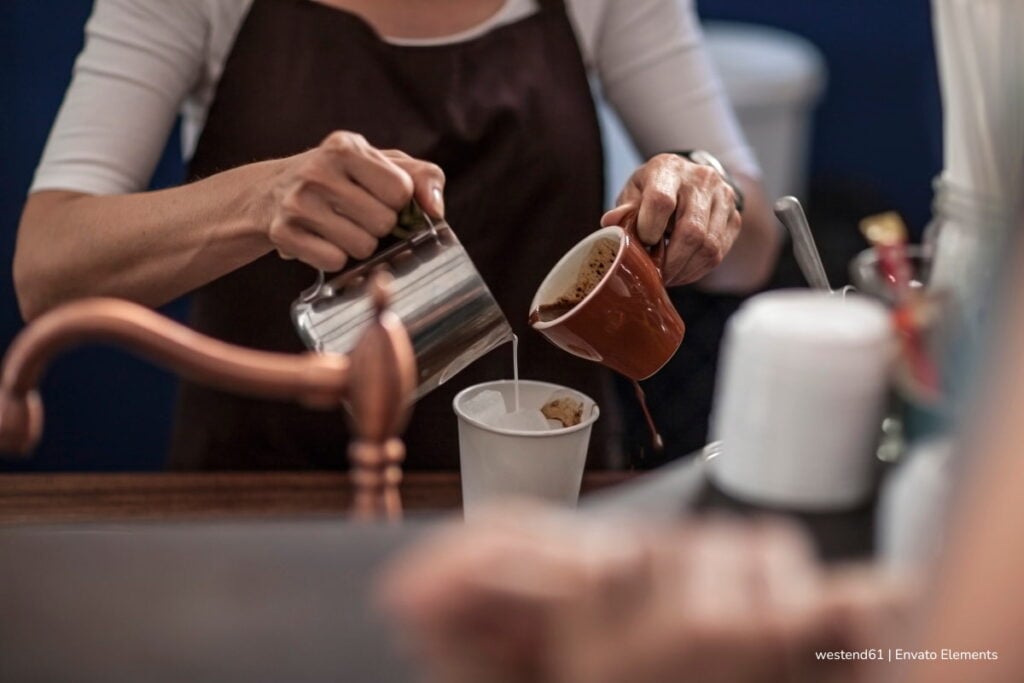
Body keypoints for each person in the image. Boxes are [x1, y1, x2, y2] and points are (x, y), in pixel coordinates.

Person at [14, 0, 781, 469]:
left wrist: (703, 188)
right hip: (263, 494)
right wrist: (256, 200)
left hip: (542, 506)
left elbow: (752, 252)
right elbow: (47, 269)